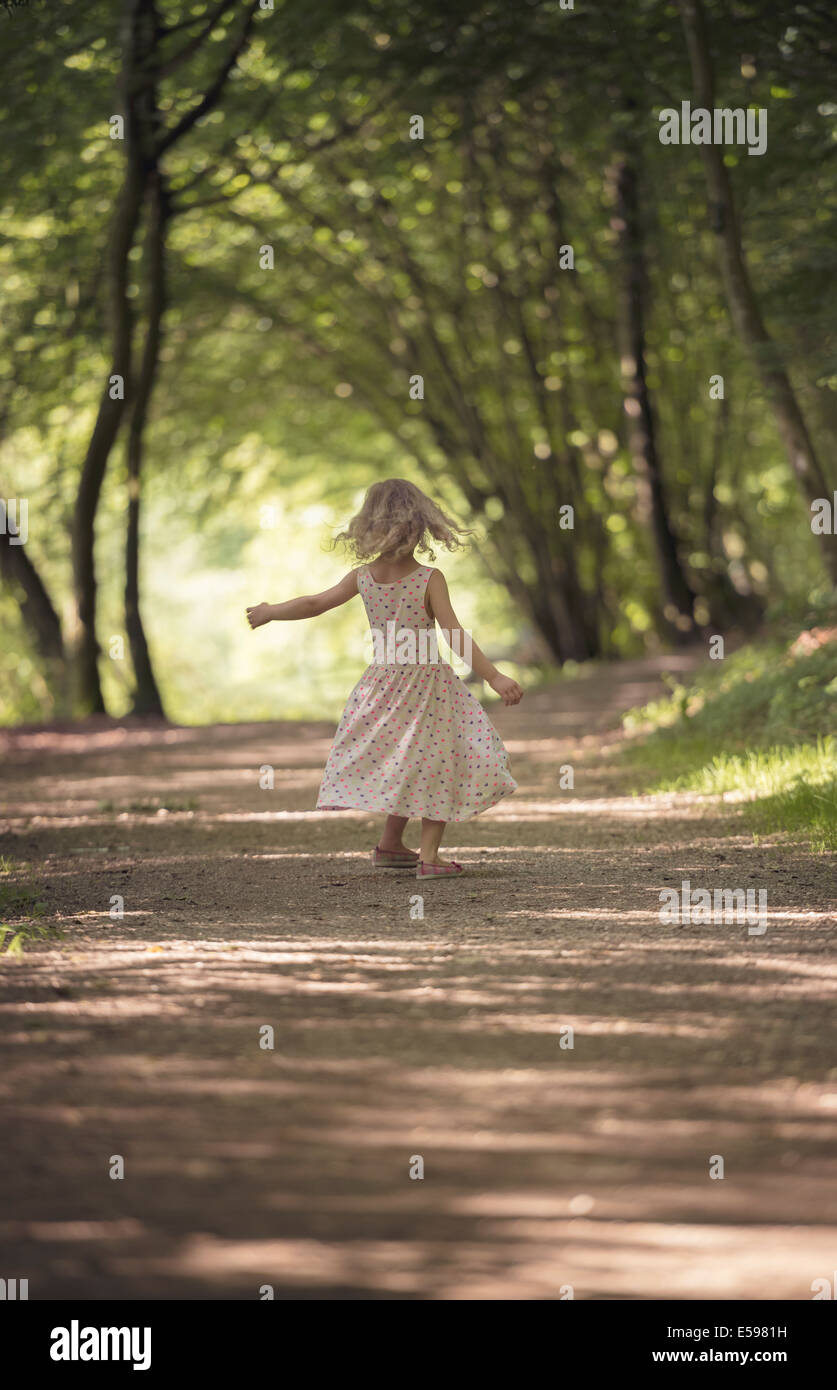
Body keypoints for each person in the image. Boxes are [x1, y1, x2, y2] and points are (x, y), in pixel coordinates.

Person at [247, 478, 522, 878]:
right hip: (428, 687)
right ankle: (430, 858)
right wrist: (493, 676)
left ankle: (391, 845)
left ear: (370, 526)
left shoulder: (363, 577)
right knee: (436, 761)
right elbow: (453, 634)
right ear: (421, 526)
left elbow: (314, 603)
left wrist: (271, 611)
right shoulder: (430, 578)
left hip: (381, 686)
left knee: (407, 760)